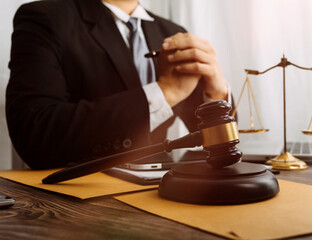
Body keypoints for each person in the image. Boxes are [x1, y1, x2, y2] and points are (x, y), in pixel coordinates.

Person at [6, 0, 229, 169]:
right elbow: (36, 136)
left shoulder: (171, 32)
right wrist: (165, 92)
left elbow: (220, 148)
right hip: (79, 197)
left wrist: (216, 94)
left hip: (163, 188)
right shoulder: (45, 18)